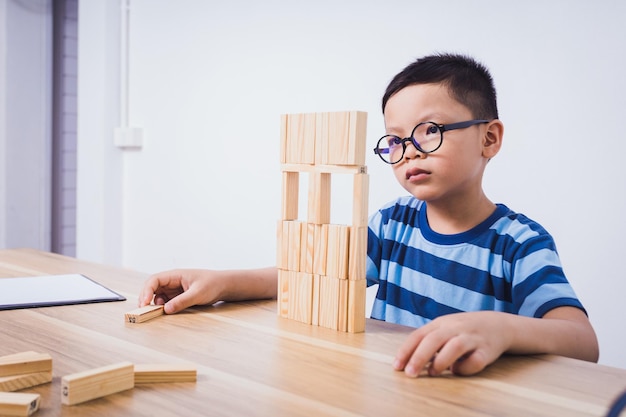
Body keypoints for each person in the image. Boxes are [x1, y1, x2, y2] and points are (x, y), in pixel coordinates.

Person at [139, 53, 599, 377]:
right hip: (392, 388)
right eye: (396, 140)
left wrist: (500, 329)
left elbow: (584, 343)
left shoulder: (520, 244)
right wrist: (221, 282)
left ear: (489, 139)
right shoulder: (392, 224)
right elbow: (312, 276)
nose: (408, 151)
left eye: (430, 131)